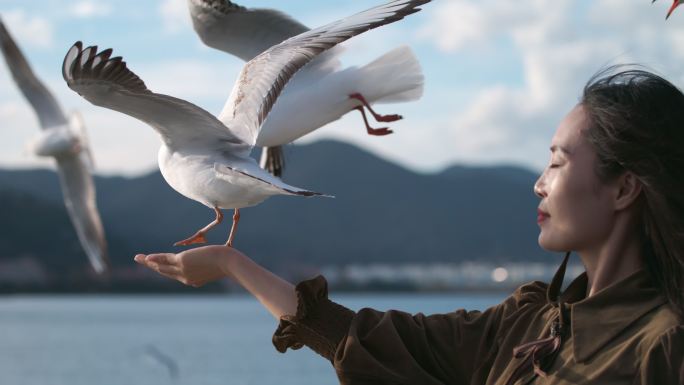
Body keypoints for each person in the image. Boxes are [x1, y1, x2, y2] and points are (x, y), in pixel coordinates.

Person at [134, 66, 684, 384]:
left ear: (624, 187)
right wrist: (233, 263)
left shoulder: (665, 347)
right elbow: (366, 339)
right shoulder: (529, 323)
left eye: (558, 163)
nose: (539, 184)